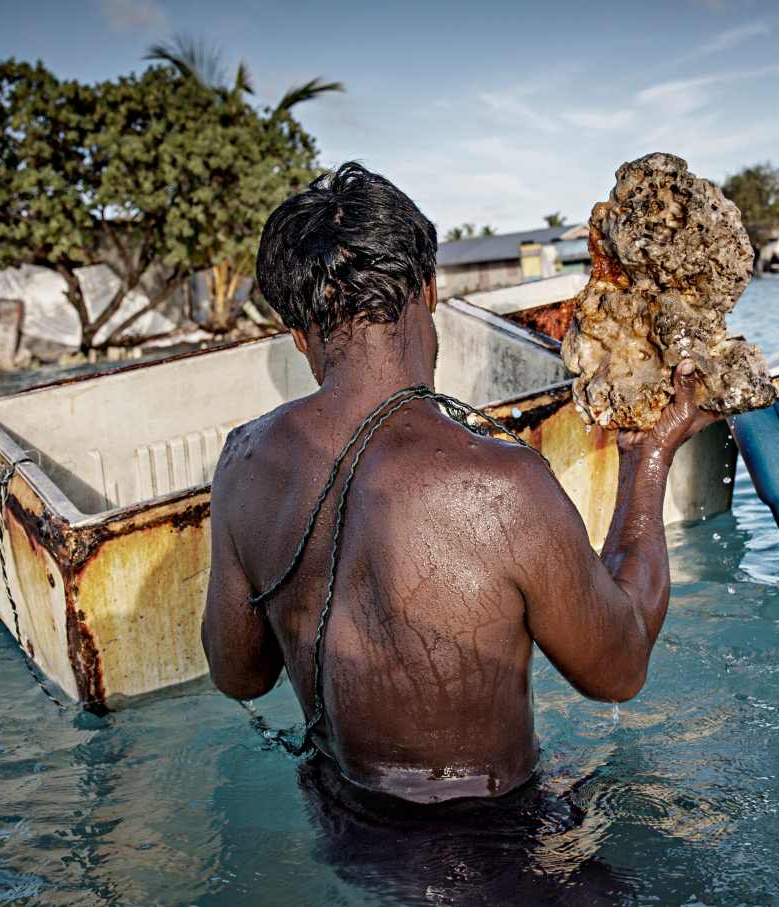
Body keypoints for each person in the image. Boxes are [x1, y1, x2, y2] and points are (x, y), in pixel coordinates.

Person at [201, 162, 716, 806]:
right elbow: (619, 667)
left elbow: (238, 676)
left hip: (342, 831)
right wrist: (652, 454)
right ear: (429, 289)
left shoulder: (242, 463)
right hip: (498, 858)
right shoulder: (502, 483)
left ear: (297, 333)